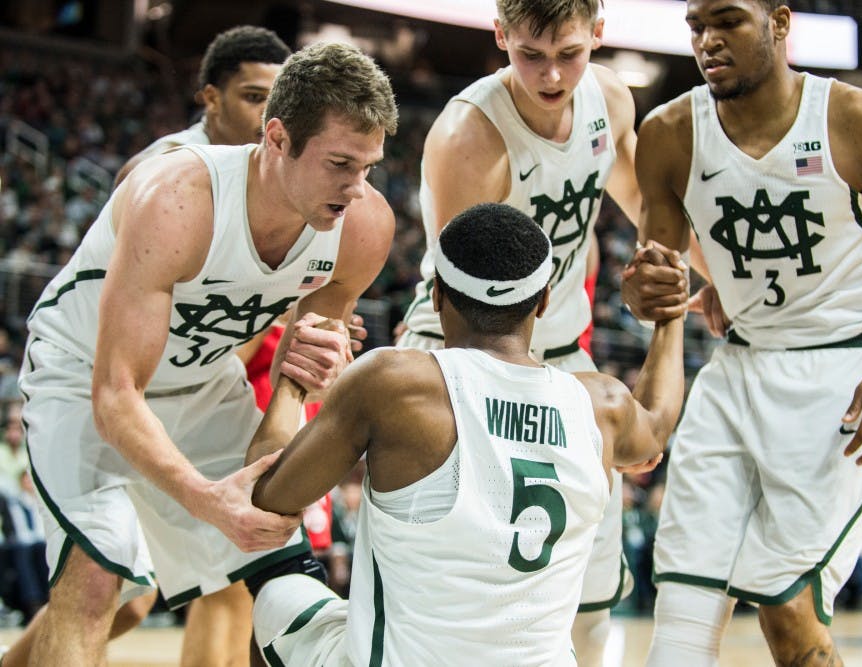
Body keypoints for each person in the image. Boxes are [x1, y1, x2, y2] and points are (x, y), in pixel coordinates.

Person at [622, 1, 862, 665]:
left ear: (780, 23)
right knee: (679, 620)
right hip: (737, 367)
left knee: (787, 608)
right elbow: (661, 284)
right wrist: (645, 291)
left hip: (847, 371)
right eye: (696, 25)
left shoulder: (857, 118)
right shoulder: (669, 132)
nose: (708, 41)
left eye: (727, 20)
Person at [17, 41, 398, 666]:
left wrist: (300, 395)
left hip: (200, 382)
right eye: (339, 164)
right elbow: (115, 396)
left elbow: (291, 394)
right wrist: (204, 498)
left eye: (369, 167)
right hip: (85, 375)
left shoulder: (362, 228)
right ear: (276, 138)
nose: (356, 188)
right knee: (98, 576)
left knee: (281, 553)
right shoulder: (178, 199)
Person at [245, 202, 686, 666]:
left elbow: (264, 496)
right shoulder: (603, 407)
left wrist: (295, 382)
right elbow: (657, 421)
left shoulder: (395, 384)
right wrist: (670, 314)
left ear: (437, 296)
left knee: (278, 586)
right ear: (544, 300)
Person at [0, 25, 294, 667]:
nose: (267, 115)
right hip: (115, 385)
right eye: (251, 96)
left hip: (183, 388)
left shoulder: (283, 184)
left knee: (136, 600)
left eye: (279, 99)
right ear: (208, 98)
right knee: (104, 586)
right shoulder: (166, 175)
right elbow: (138, 317)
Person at [395, 2, 643, 661]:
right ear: (501, 36)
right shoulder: (468, 137)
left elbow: (645, 201)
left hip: (561, 350)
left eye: (569, 53)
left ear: (597, 34)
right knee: (471, 594)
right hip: (463, 350)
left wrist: (705, 287)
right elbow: (471, 301)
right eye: (531, 54)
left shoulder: (610, 99)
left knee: (589, 604)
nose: (553, 75)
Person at [114, 25, 292, 186]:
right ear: (213, 99)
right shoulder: (160, 170)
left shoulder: (279, 167)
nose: (270, 112)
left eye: (278, 99)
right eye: (254, 97)